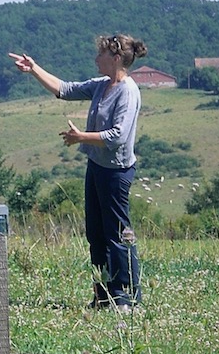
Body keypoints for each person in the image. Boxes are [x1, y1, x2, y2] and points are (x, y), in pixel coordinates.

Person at [9, 34, 148, 311]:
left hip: (116, 173)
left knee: (118, 234)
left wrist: (81, 137)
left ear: (116, 59)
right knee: (95, 234)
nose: (96, 59)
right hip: (97, 167)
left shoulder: (128, 91)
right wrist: (33, 68)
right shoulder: (102, 85)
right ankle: (102, 294)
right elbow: (64, 89)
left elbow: (117, 137)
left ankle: (126, 297)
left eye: (101, 54)